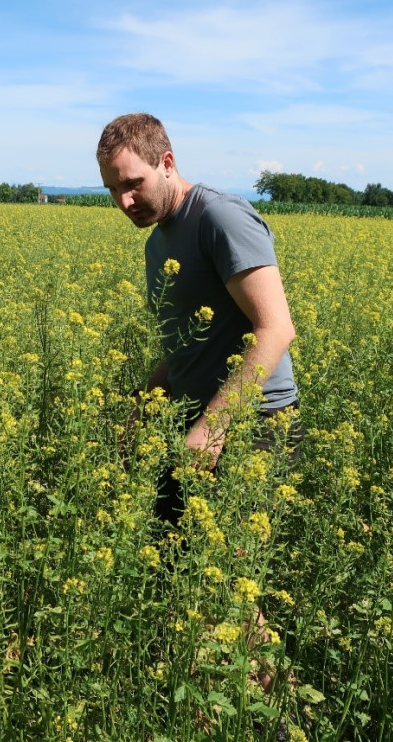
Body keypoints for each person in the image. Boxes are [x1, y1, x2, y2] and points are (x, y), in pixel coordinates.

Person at [96, 112, 302, 524]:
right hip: (193, 415)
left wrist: (214, 426)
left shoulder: (219, 218)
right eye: (113, 189)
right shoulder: (157, 242)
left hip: (253, 422)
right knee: (169, 555)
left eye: (133, 183)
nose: (124, 201)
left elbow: (276, 328)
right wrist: (143, 404)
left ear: (167, 163)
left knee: (223, 571)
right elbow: (187, 343)